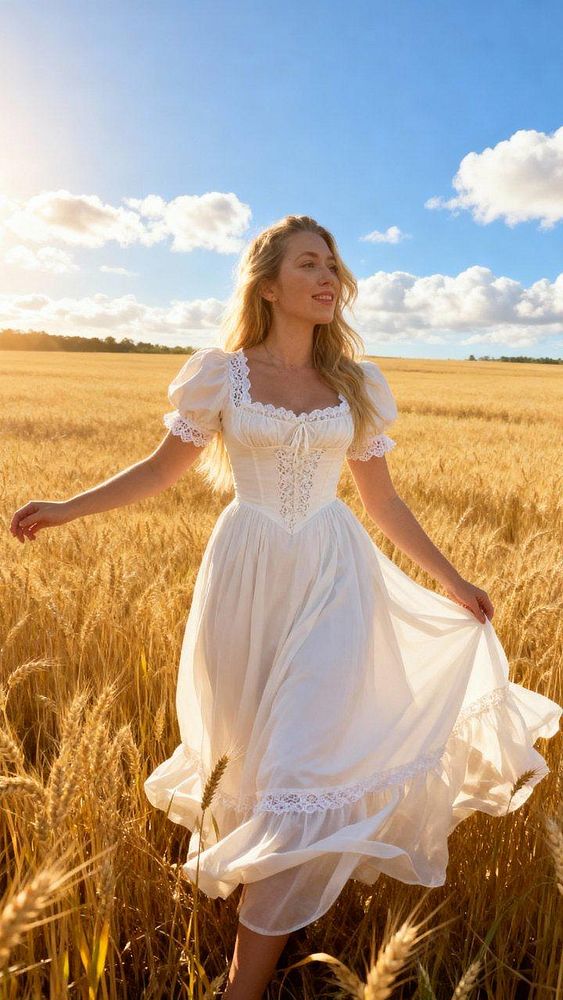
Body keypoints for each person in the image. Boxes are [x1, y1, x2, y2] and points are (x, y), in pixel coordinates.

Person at [10, 215, 562, 1000]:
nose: (328, 275)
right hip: (245, 581)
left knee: (302, 769)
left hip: (336, 579)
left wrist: (450, 578)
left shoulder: (355, 384)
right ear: (268, 283)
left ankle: (240, 989)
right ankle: (260, 931)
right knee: (261, 769)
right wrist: (67, 505)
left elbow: (382, 500)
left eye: (333, 262)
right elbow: (162, 471)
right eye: (310, 263)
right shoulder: (221, 375)